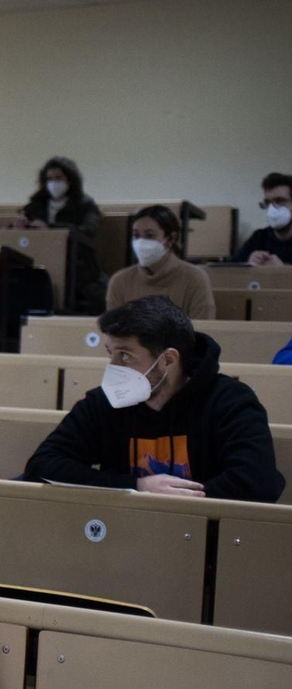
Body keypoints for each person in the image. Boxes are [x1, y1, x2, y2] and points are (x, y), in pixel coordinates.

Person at [25, 297, 284, 502]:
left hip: (202, 535)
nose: (113, 367)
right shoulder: (104, 403)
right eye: (110, 354)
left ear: (168, 360)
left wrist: (176, 501)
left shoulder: (229, 401)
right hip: (121, 532)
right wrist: (137, 487)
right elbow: (44, 464)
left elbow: (257, 482)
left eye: (125, 356)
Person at [17, 156, 105, 314]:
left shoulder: (84, 204)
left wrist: (50, 228)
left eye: (58, 178)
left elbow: (88, 231)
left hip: (77, 264)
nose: (53, 183)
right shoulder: (35, 205)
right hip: (38, 260)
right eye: (49, 179)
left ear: (70, 179)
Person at [106, 205, 214, 319]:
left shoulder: (194, 278)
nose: (141, 242)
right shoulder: (120, 281)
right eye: (136, 235)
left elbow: (204, 329)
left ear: (171, 238)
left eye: (149, 235)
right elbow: (113, 330)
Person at [231, 172, 292, 266]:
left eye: (279, 201)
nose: (272, 209)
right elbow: (229, 272)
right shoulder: (259, 237)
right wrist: (248, 265)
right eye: (268, 203)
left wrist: (283, 272)